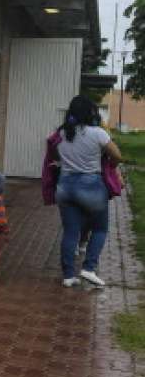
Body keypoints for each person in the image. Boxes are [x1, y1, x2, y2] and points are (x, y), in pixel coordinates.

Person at [53, 96, 122, 288]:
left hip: (65, 185)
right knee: (99, 228)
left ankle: (68, 276)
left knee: (70, 232)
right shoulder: (98, 133)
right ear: (90, 112)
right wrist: (110, 166)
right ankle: (89, 268)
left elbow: (55, 155)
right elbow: (117, 155)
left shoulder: (61, 134)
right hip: (91, 185)